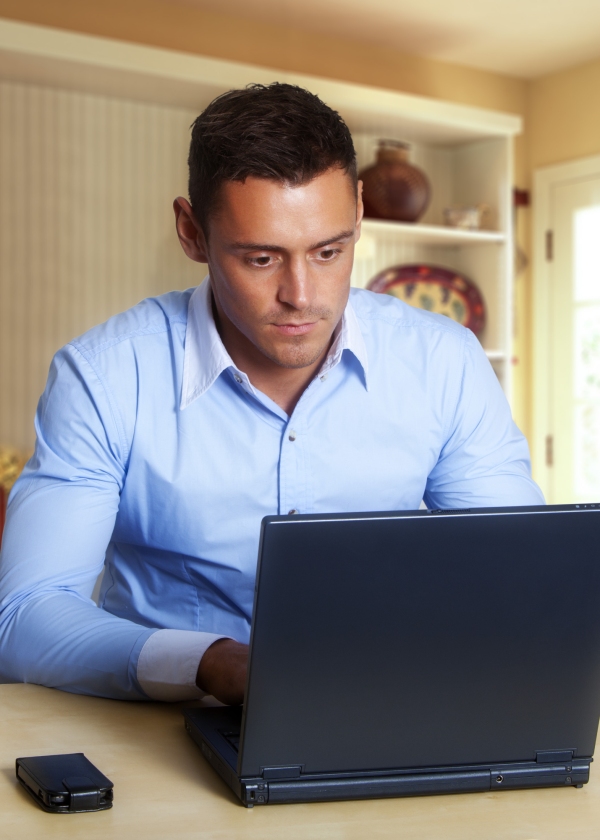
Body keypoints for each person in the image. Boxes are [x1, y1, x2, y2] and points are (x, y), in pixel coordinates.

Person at [0, 83, 544, 705]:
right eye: (261, 259)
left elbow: (520, 578)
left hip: (383, 712)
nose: (302, 295)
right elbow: (25, 616)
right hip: (160, 732)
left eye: (329, 251)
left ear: (360, 211)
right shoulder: (102, 379)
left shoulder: (444, 362)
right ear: (191, 232)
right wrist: (209, 663)